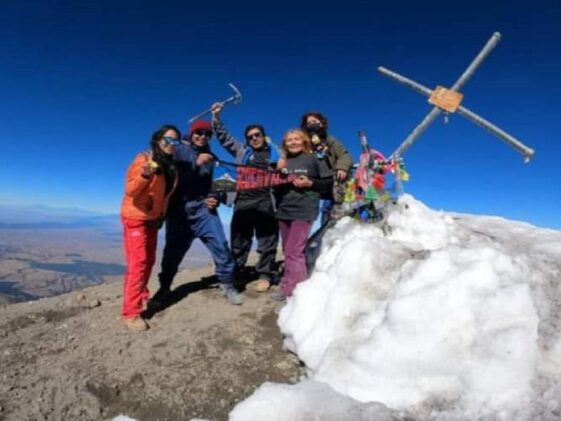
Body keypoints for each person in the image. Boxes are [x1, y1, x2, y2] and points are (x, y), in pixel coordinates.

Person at [152, 119, 244, 306]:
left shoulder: (213, 158)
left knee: (220, 246)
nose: (202, 137)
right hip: (179, 210)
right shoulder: (178, 151)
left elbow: (221, 183)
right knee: (172, 253)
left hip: (204, 210)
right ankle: (164, 288)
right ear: (192, 133)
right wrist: (196, 162)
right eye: (199, 133)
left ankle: (227, 283)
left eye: (206, 134)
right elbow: (170, 175)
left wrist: (215, 198)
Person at [211, 102, 280, 292]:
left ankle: (265, 274)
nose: (254, 138)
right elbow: (224, 139)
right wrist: (216, 117)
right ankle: (239, 273)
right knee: (239, 241)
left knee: (267, 240)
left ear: (263, 136)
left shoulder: (278, 153)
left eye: (257, 135)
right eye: (250, 137)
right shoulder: (242, 151)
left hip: (268, 201)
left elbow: (298, 155)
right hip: (243, 201)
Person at [120, 124, 180, 331]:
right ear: (158, 140)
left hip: (153, 220)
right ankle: (131, 313)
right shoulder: (144, 159)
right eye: (168, 139)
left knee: (148, 261)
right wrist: (145, 175)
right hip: (136, 218)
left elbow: (163, 196)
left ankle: (141, 294)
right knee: (139, 263)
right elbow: (130, 190)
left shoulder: (170, 166)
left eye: (176, 141)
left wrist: (161, 215)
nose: (172, 144)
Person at [271, 129, 331, 301]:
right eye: (289, 140)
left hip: (304, 210)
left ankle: (296, 294)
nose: (293, 142)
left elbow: (328, 182)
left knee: (294, 251)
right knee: (287, 250)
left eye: (297, 139)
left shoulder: (313, 159)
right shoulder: (283, 161)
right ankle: (289, 285)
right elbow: (275, 185)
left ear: (304, 141)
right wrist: (278, 171)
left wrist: (310, 183)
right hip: (284, 210)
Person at [300, 112, 353, 224]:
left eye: (314, 121)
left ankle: (339, 217)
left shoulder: (330, 139)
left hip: (332, 179)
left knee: (337, 196)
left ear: (321, 122)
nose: (312, 124)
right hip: (313, 180)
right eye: (309, 123)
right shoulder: (304, 142)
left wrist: (342, 167)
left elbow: (345, 155)